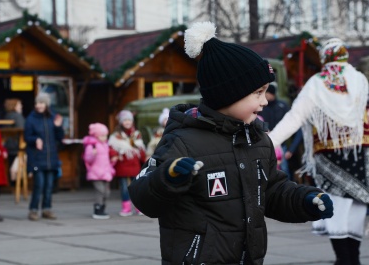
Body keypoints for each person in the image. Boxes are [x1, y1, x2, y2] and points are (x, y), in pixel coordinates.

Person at [128, 21, 334, 265]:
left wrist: (305, 200)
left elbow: (271, 191)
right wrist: (168, 177)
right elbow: (143, 196)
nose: (265, 101)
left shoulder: (258, 140)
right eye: (258, 92)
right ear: (228, 93)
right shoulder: (183, 140)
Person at [269, 37, 368, 265]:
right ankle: (352, 259)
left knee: (334, 211)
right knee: (355, 211)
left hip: (329, 158)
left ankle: (343, 260)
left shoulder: (317, 83)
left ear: (325, 58)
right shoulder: (359, 80)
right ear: (344, 55)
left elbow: (294, 119)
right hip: (361, 157)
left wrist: (267, 142)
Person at [24, 93, 64, 221]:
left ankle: (47, 209)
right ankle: (33, 210)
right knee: (39, 185)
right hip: (37, 157)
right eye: (37, 103)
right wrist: (35, 139)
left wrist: (58, 127)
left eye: (41, 103)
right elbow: (27, 137)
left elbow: (60, 137)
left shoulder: (53, 118)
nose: (39, 105)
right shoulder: (31, 119)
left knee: (49, 186)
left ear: (47, 104)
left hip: (51, 157)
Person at [259, 82, 302, 180]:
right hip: (267, 146)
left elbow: (295, 126)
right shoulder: (262, 107)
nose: (264, 95)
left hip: (282, 147)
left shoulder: (283, 106)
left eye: (266, 92)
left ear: (272, 93)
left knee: (284, 171)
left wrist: (291, 150)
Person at [108, 109, 146, 216]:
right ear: (121, 122)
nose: (127, 122)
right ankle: (126, 208)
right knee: (124, 188)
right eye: (125, 120)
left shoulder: (137, 135)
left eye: (129, 120)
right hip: (123, 166)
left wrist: (145, 159)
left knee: (137, 188)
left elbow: (141, 149)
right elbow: (111, 147)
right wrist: (114, 155)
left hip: (135, 166)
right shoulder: (116, 136)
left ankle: (139, 207)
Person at [82, 123, 118, 219]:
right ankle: (97, 209)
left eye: (106, 135)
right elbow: (87, 159)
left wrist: (112, 160)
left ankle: (103, 208)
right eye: (102, 135)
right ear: (96, 135)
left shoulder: (105, 145)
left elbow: (106, 159)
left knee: (106, 192)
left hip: (105, 171)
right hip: (95, 172)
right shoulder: (92, 146)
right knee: (100, 191)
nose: (104, 137)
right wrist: (92, 154)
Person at [3, 98, 25, 185]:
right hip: (17, 144)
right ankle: (18, 184)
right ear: (14, 106)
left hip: (9, 145)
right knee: (18, 166)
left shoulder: (7, 116)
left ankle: (12, 183)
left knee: (11, 164)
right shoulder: (17, 116)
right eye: (19, 105)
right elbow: (22, 129)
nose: (21, 106)